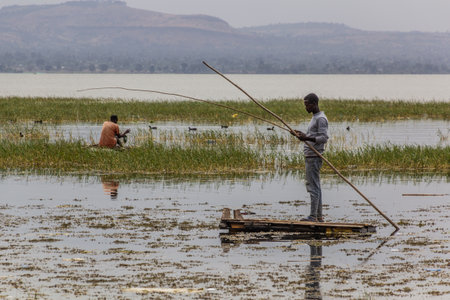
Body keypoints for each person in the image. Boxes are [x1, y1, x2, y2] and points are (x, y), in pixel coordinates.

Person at [294, 93, 329, 222]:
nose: (306, 107)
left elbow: (323, 138)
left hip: (314, 156)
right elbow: (312, 135)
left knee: (312, 187)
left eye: (307, 104)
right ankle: (318, 216)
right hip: (310, 155)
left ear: (314, 104)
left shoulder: (321, 118)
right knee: (316, 186)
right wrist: (301, 135)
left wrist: (306, 137)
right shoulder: (315, 117)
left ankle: (313, 216)